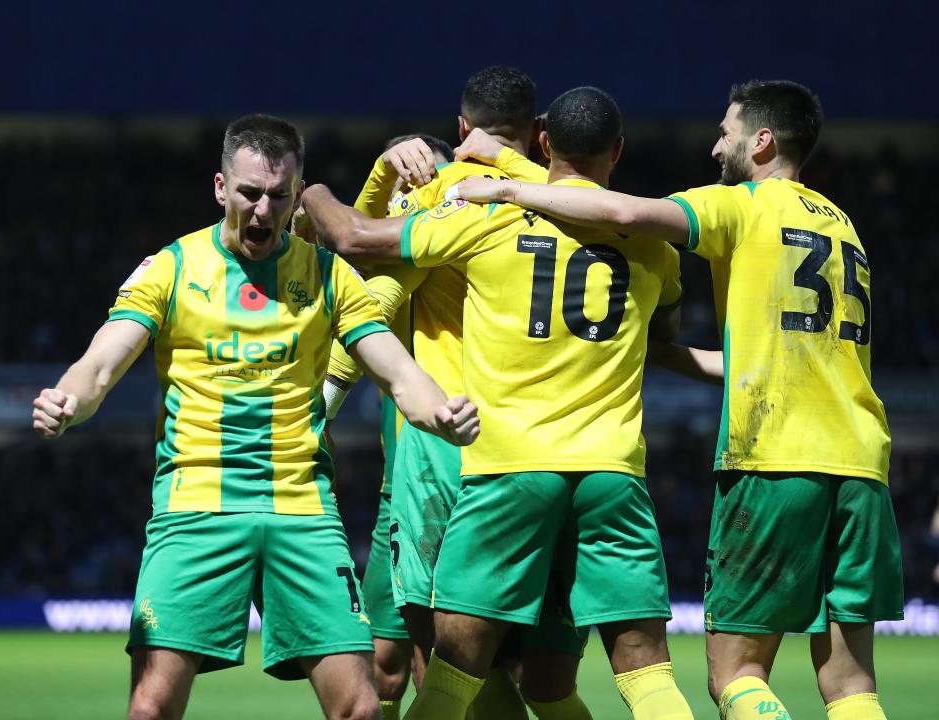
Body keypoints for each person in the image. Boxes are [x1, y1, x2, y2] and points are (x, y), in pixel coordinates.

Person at [452, 80, 904, 720]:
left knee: (736, 676)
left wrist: (506, 187)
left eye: (727, 130)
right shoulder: (844, 227)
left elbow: (626, 214)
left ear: (763, 140)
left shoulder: (744, 204)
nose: (717, 144)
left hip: (776, 460)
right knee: (852, 684)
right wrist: (649, 347)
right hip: (863, 466)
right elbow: (761, 357)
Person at [31, 113, 479, 720]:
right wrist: (68, 400)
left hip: (301, 509)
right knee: (150, 708)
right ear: (221, 188)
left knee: (362, 708)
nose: (262, 210)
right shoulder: (173, 267)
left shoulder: (328, 276)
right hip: (196, 507)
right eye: (249, 193)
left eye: (277, 195)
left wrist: (440, 415)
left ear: (298, 195)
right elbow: (102, 364)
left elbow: (400, 375)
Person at [302, 85, 696, 720]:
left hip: (507, 467)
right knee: (639, 673)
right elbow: (667, 331)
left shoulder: (481, 214)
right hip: (611, 473)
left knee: (456, 671)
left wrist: (311, 191)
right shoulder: (653, 244)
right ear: (617, 151)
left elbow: (355, 243)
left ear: (545, 141)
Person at [323, 132, 455, 720]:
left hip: (446, 475)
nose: (403, 206)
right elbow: (355, 252)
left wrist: (319, 400)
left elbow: (366, 303)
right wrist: (383, 172)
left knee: (439, 659)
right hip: (397, 485)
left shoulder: (439, 243)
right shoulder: (392, 269)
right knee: (384, 662)